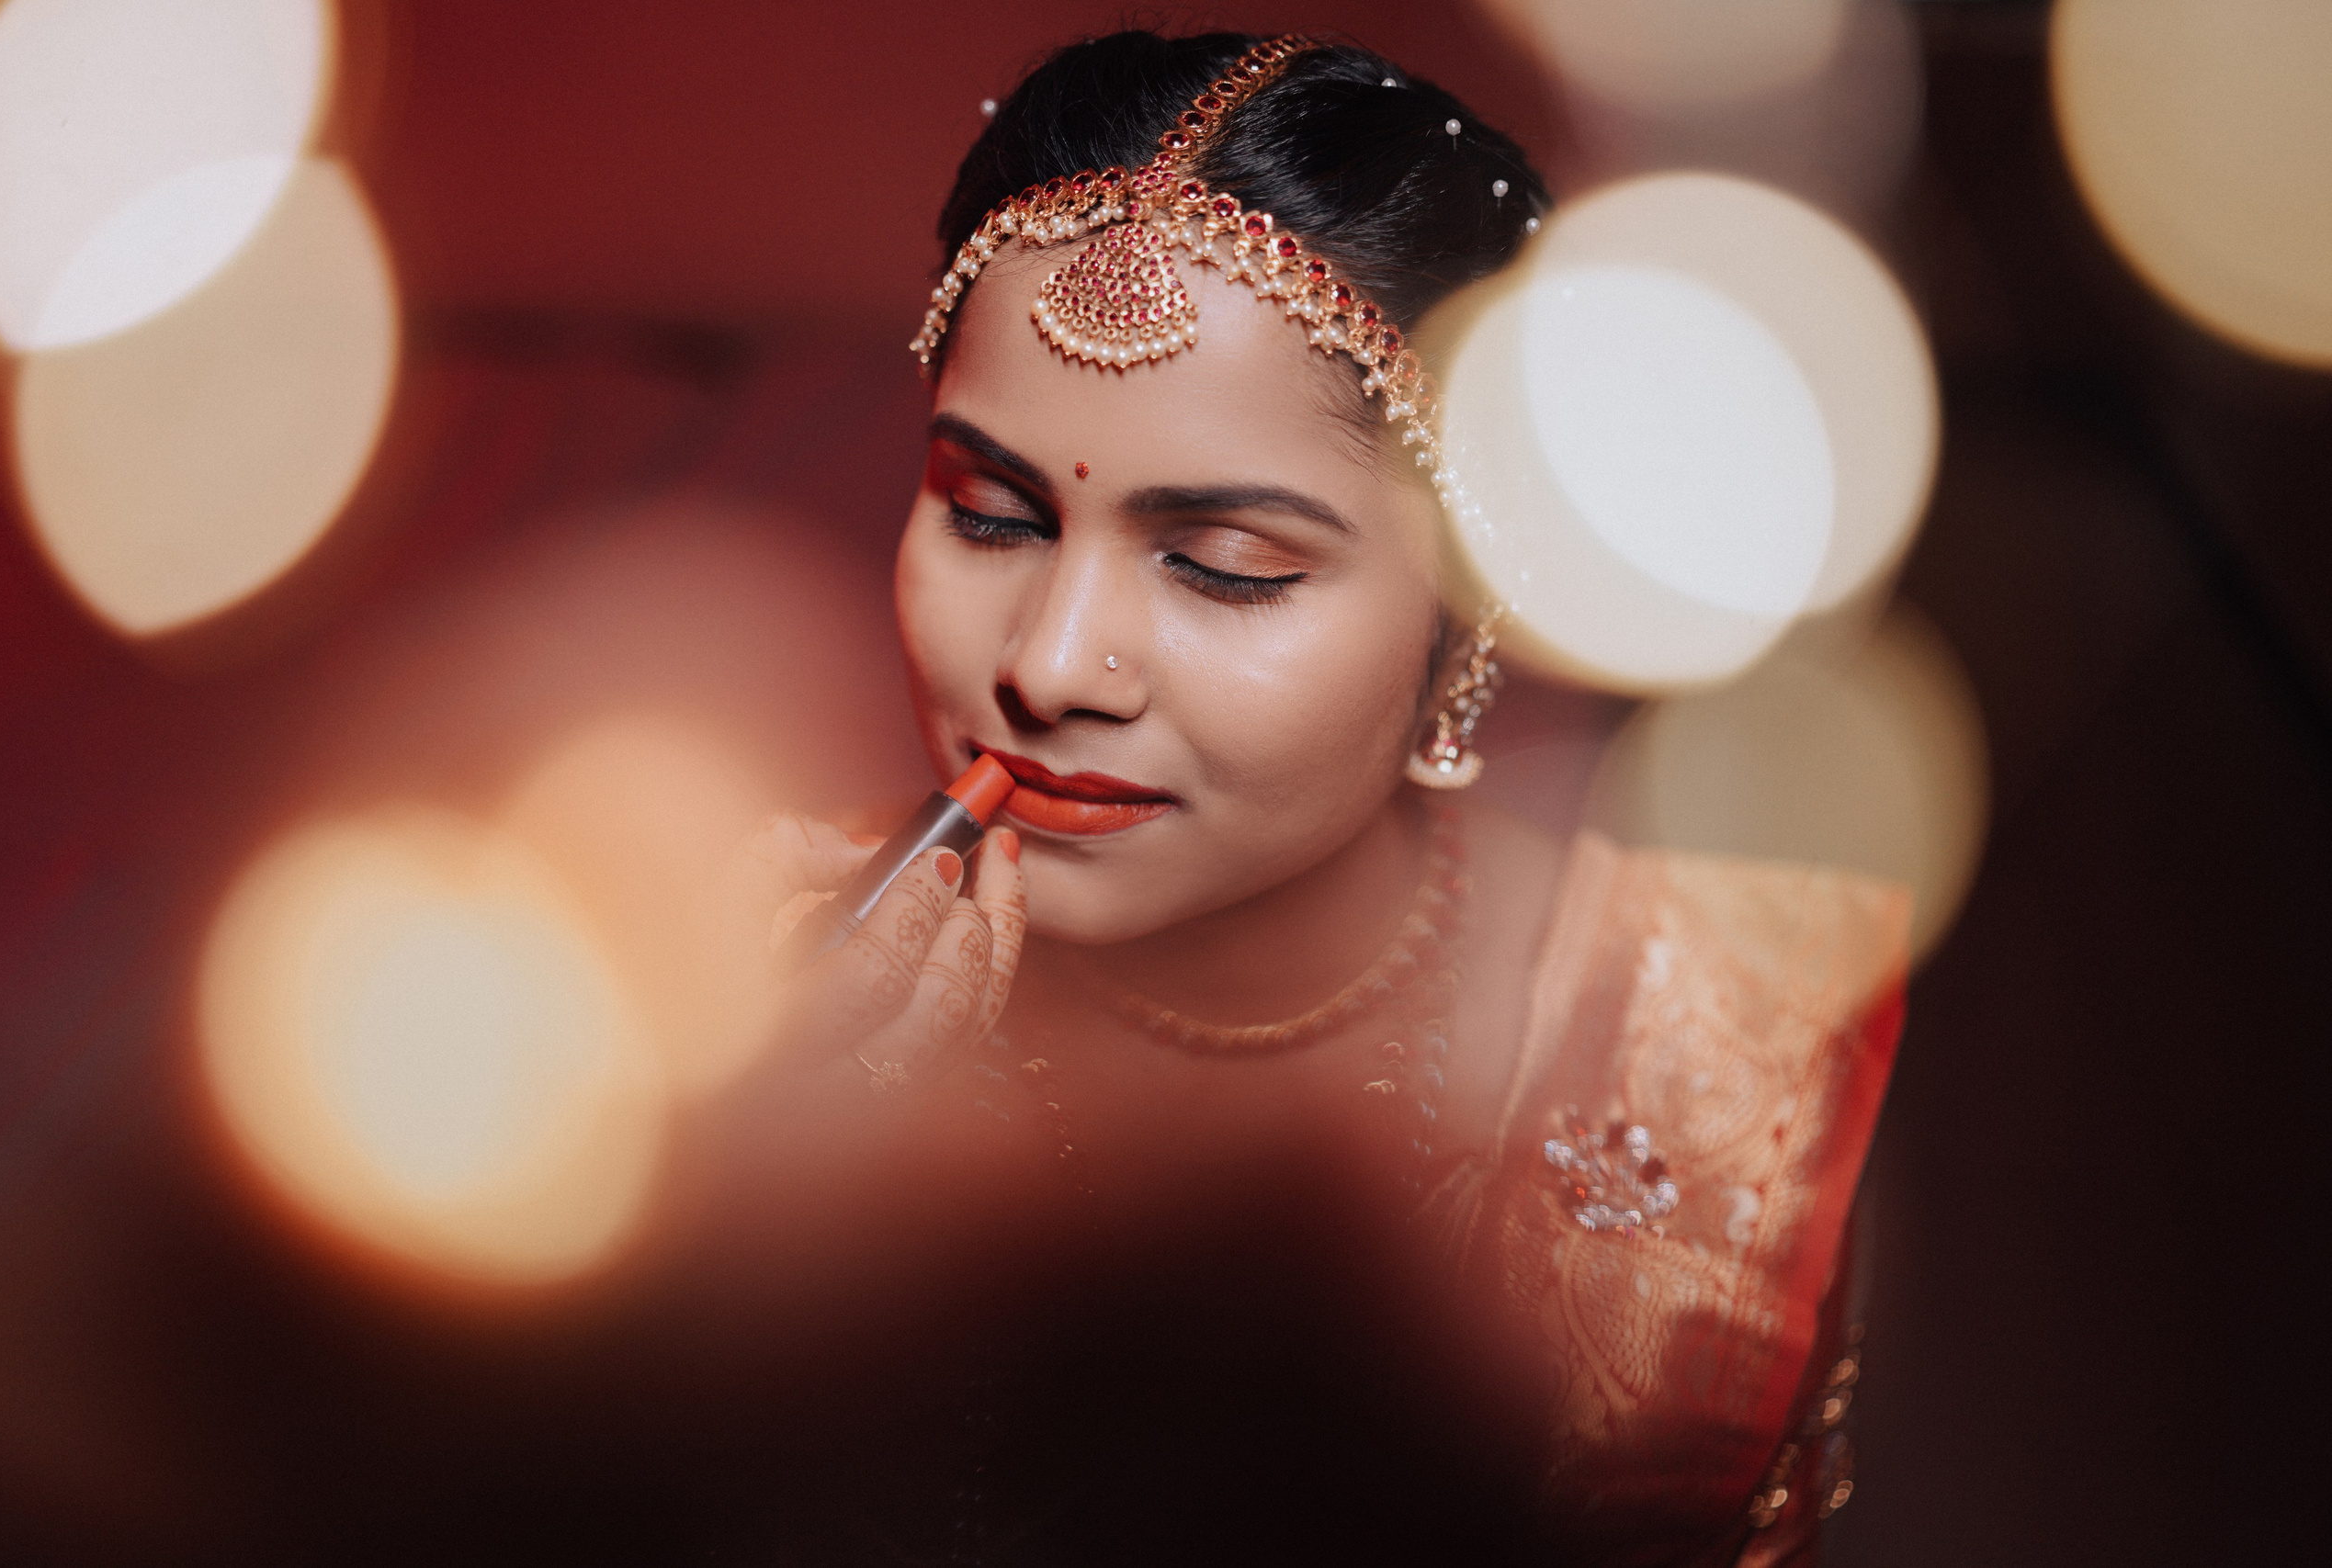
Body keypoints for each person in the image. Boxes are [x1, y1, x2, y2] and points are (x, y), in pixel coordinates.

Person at [734, 30, 1906, 1567]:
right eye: (990, 514)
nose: (1052, 665)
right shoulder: (702, 985)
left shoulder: (1728, 1032)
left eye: (1227, 565)